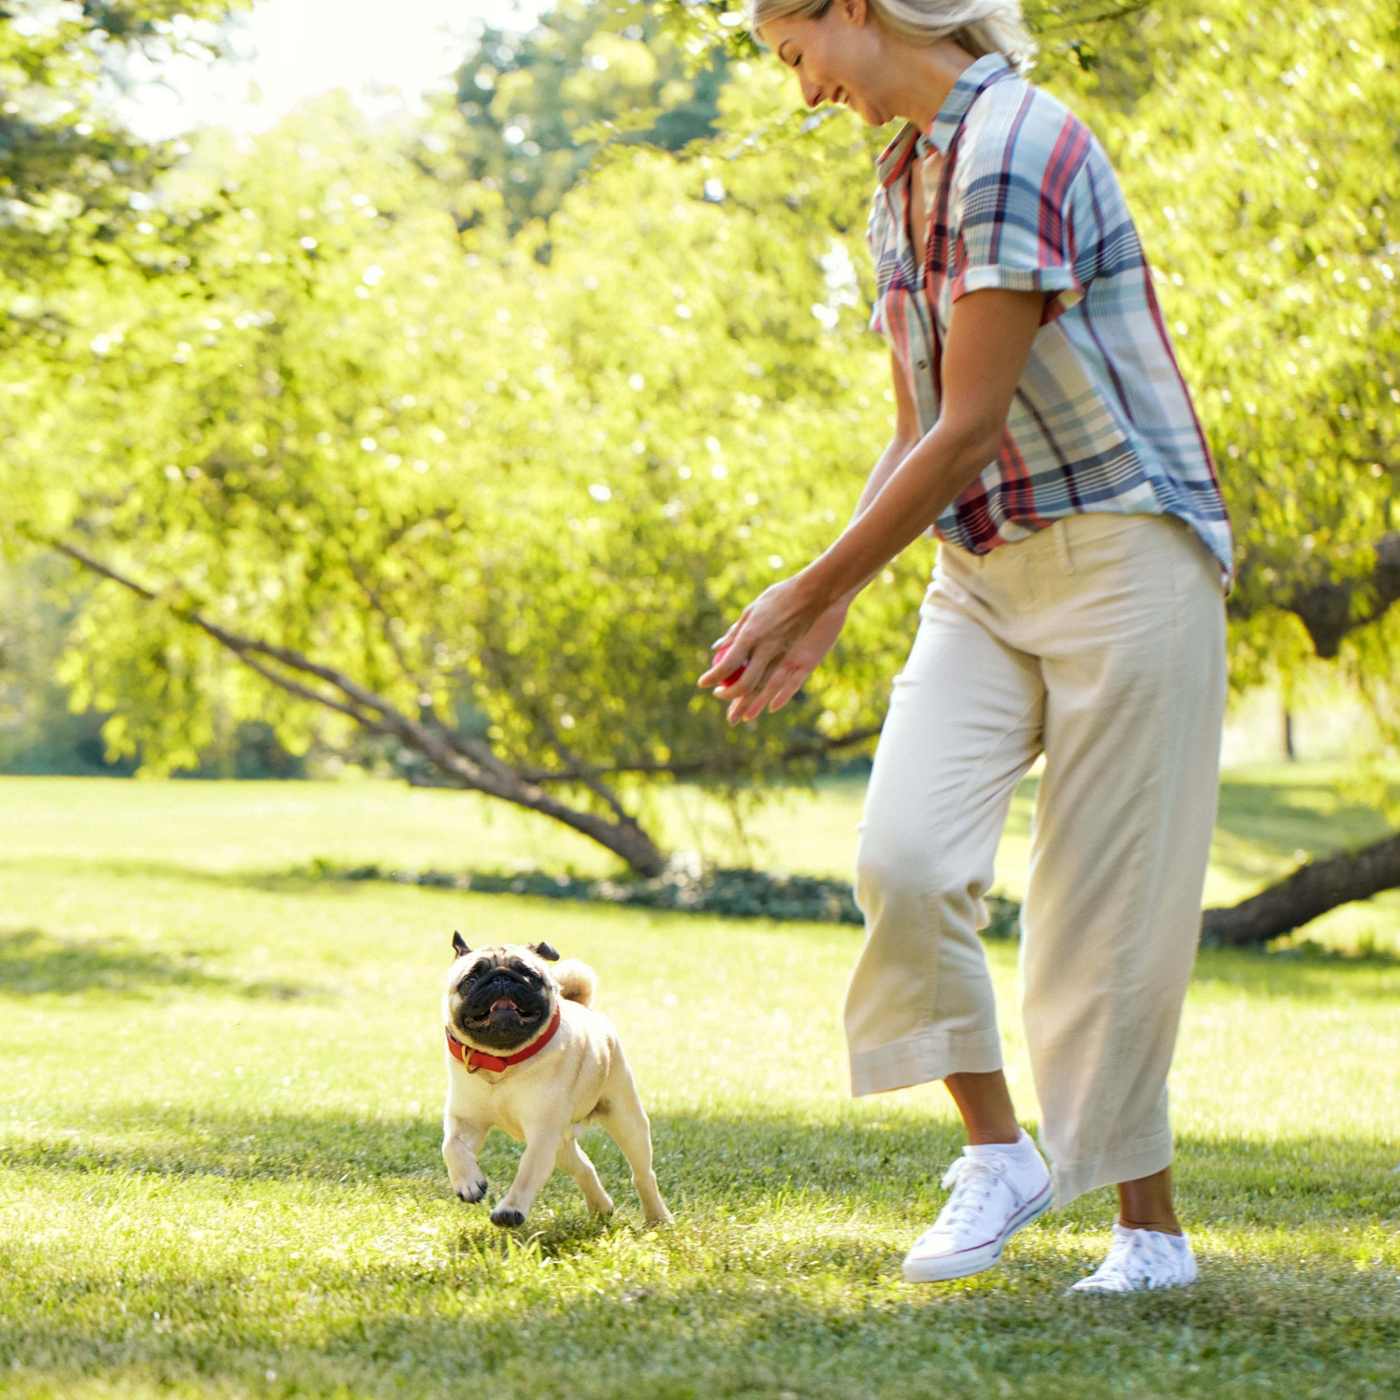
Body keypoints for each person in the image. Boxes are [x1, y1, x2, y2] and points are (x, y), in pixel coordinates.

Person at [698, 0, 1232, 1293]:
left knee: (1104, 916)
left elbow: (974, 425)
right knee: (907, 859)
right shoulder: (901, 178)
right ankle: (999, 1153)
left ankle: (1150, 1235)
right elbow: (917, 427)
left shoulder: (1016, 142)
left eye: (796, 54)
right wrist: (827, 604)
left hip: (1126, 556)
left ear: (854, 7)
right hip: (981, 573)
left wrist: (807, 592)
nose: (803, 91)